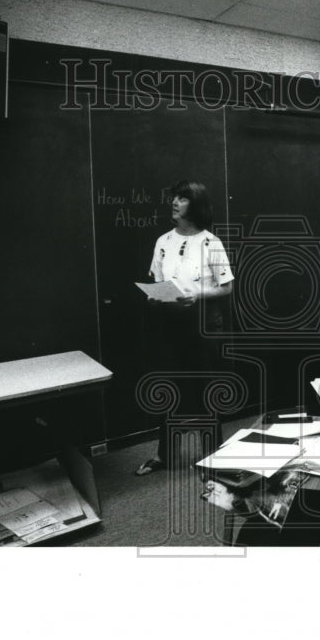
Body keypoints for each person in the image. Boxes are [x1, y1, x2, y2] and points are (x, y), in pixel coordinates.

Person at [135, 180, 234, 476]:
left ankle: (212, 459)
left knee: (205, 392)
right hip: (169, 324)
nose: (174, 202)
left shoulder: (210, 242)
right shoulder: (163, 241)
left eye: (182, 198)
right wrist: (154, 296)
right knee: (168, 390)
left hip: (204, 326)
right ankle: (165, 456)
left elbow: (227, 288)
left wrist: (197, 295)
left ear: (197, 205)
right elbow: (157, 280)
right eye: (174, 197)